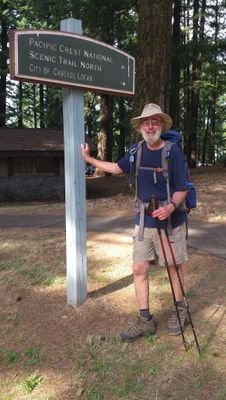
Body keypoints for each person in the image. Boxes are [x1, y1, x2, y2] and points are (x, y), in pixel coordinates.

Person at [81, 103, 188, 342]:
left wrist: (170, 206)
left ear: (161, 125)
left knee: (173, 266)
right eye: (146, 122)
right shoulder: (135, 151)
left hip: (171, 221)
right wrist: (89, 158)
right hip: (144, 222)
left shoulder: (173, 152)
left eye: (155, 122)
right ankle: (145, 320)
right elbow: (115, 168)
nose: (150, 126)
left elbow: (182, 189)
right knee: (139, 268)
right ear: (141, 127)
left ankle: (180, 310)